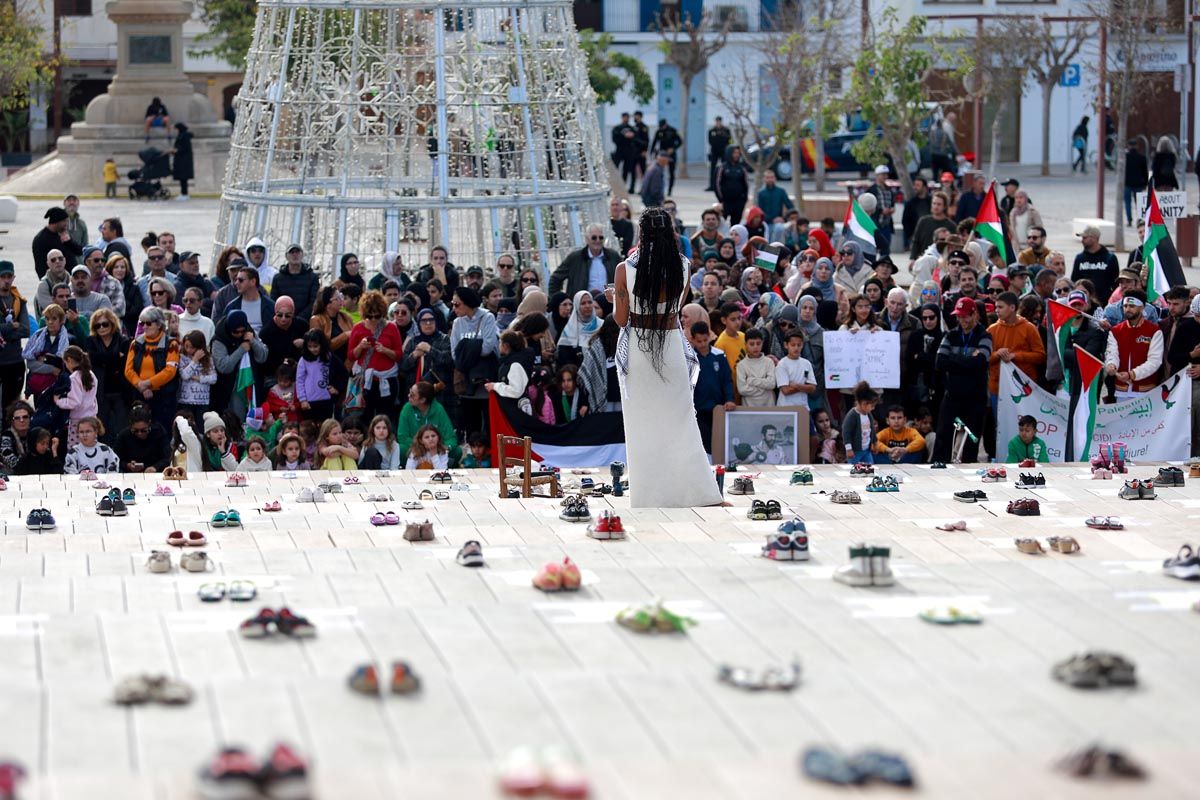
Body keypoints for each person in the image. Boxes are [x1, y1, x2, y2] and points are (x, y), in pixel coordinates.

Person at [612, 208, 723, 506]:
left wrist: (617, 298)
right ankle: (697, 491)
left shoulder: (625, 269)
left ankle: (648, 495)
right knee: (681, 420)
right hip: (672, 345)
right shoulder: (685, 266)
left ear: (642, 232)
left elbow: (621, 319)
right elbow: (675, 310)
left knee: (642, 424)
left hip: (639, 346)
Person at [932, 298, 992, 463]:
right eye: (959, 316)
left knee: (972, 438)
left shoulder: (985, 335)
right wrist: (967, 359)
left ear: (974, 315)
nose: (962, 320)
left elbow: (981, 363)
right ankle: (939, 466)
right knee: (943, 434)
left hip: (976, 397)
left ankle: (969, 469)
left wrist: (954, 358)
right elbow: (939, 362)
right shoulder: (951, 335)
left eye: (966, 316)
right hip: (953, 394)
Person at [986, 290, 1045, 452]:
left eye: (1000, 307)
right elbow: (984, 358)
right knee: (1001, 427)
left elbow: (1040, 356)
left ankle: (1028, 456)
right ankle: (1002, 456)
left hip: (1024, 391)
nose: (996, 310)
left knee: (1025, 427)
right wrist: (996, 354)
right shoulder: (992, 330)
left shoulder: (1029, 328)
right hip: (997, 390)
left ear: (1012, 307)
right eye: (996, 307)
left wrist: (1016, 356)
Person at [348, 291, 403, 421]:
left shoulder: (391, 327)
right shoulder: (357, 328)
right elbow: (351, 356)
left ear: (382, 313)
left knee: (385, 418)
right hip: (365, 381)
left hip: (387, 380)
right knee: (364, 418)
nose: (373, 319)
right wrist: (360, 347)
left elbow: (399, 355)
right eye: (369, 316)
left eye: (377, 316)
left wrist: (384, 350)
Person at [124, 307, 180, 431]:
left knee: (162, 429)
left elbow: (170, 371)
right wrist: (141, 386)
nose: (144, 327)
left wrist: (149, 383)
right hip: (140, 394)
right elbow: (128, 370)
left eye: (148, 323)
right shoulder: (135, 343)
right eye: (142, 323)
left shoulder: (171, 344)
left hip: (164, 397)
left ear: (159, 324)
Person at [1104, 290, 1163, 396]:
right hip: (1121, 390)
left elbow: (1155, 361)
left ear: (1142, 307)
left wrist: (1132, 374)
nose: (1127, 309)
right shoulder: (1116, 331)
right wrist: (1111, 365)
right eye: (1125, 306)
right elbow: (1112, 353)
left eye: (1132, 306)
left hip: (1145, 390)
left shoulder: (1154, 331)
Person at [688, 320, 734, 456]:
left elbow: (727, 380)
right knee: (703, 443)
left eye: (705, 340)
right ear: (692, 339)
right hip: (698, 410)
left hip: (718, 408)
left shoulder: (719, 355)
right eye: (699, 341)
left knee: (719, 443)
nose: (702, 344)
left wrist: (730, 399)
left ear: (709, 336)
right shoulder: (690, 358)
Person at [84, 308, 130, 439]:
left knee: (122, 427)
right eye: (98, 325)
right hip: (100, 391)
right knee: (102, 428)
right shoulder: (91, 341)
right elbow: (91, 359)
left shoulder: (123, 341)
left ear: (112, 323)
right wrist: (115, 356)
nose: (102, 328)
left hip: (120, 390)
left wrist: (102, 358)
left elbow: (124, 362)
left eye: (105, 324)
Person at [396, 381, 459, 463]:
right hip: (415, 449)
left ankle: (445, 471)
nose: (408, 396)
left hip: (436, 449)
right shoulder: (407, 408)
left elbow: (451, 438)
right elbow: (402, 436)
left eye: (412, 394)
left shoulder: (438, 409)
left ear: (422, 400)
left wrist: (444, 447)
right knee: (400, 449)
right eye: (409, 392)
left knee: (457, 451)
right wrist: (422, 446)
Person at [549, 225, 621, 296]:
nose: (598, 240)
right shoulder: (575, 258)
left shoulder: (613, 256)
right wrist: (557, 302)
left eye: (601, 237)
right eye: (594, 238)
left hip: (608, 303)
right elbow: (555, 279)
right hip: (583, 305)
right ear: (587, 239)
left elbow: (623, 278)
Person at [0, 261, 32, 409]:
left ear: (13, 277)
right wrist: (11, 326)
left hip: (15, 361)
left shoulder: (19, 301)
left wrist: (3, 332)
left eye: (9, 276)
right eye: (3, 276)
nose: (6, 280)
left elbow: (25, 330)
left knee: (12, 406)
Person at [54, 345, 99, 448]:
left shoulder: (74, 378)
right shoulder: (91, 374)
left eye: (65, 362)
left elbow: (75, 402)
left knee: (75, 451)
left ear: (69, 360)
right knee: (91, 448)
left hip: (78, 421)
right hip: (92, 417)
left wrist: (59, 401)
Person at [113, 404, 171, 474]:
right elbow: (115, 459)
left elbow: (167, 457)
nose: (139, 433)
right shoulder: (124, 435)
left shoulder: (159, 432)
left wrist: (155, 467)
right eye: (135, 431)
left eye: (144, 430)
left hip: (155, 473)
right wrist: (127, 465)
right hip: (130, 475)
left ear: (149, 424)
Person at [33, 208, 82, 279]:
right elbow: (40, 266)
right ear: (56, 221)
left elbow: (79, 251)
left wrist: (69, 242)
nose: (67, 224)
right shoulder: (41, 239)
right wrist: (47, 283)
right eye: (64, 221)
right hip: (55, 282)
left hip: (71, 278)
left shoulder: (63, 233)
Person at [775, 329, 817, 410]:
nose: (796, 348)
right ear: (786, 345)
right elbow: (785, 390)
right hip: (785, 408)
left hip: (803, 407)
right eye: (793, 345)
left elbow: (813, 388)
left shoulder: (806, 363)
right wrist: (804, 387)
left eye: (799, 345)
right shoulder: (782, 364)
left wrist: (796, 385)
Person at [841, 382, 879, 464]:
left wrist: (875, 443)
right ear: (864, 404)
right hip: (855, 451)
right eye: (872, 406)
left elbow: (872, 430)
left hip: (866, 450)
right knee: (853, 469)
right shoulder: (852, 415)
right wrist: (848, 449)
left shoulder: (869, 414)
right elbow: (846, 433)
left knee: (869, 468)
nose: (873, 408)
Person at [736, 328, 776, 407]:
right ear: (745, 344)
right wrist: (763, 388)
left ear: (762, 343)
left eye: (758, 343)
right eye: (751, 344)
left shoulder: (769, 362)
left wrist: (751, 380)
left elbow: (772, 384)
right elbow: (742, 389)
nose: (755, 347)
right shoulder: (741, 365)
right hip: (749, 407)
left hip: (768, 406)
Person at [716, 146, 751, 225]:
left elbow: (746, 184)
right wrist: (721, 199)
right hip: (726, 201)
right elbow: (717, 185)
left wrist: (744, 199)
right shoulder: (722, 167)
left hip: (739, 202)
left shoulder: (742, 168)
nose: (737, 155)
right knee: (721, 223)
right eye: (735, 153)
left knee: (735, 224)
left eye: (738, 153)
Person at [1123, 139, 1149, 226]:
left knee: (1127, 202)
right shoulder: (1142, 157)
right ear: (1137, 146)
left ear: (1129, 146)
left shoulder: (1125, 157)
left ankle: (1129, 220)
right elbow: (1145, 172)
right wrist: (1145, 183)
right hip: (1138, 183)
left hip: (1127, 183)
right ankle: (1140, 219)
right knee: (1139, 203)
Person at [169, 123, 194, 200]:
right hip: (181, 160)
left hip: (184, 161)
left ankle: (184, 194)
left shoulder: (185, 136)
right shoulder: (182, 135)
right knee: (182, 178)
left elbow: (185, 148)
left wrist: (177, 150)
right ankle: (183, 193)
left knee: (184, 178)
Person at [707, 116, 731, 191]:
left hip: (723, 151)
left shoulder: (726, 130)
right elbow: (710, 141)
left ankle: (725, 184)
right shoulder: (711, 131)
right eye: (717, 121)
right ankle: (712, 185)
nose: (718, 123)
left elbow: (729, 140)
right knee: (713, 169)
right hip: (714, 151)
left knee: (724, 168)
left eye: (719, 121)